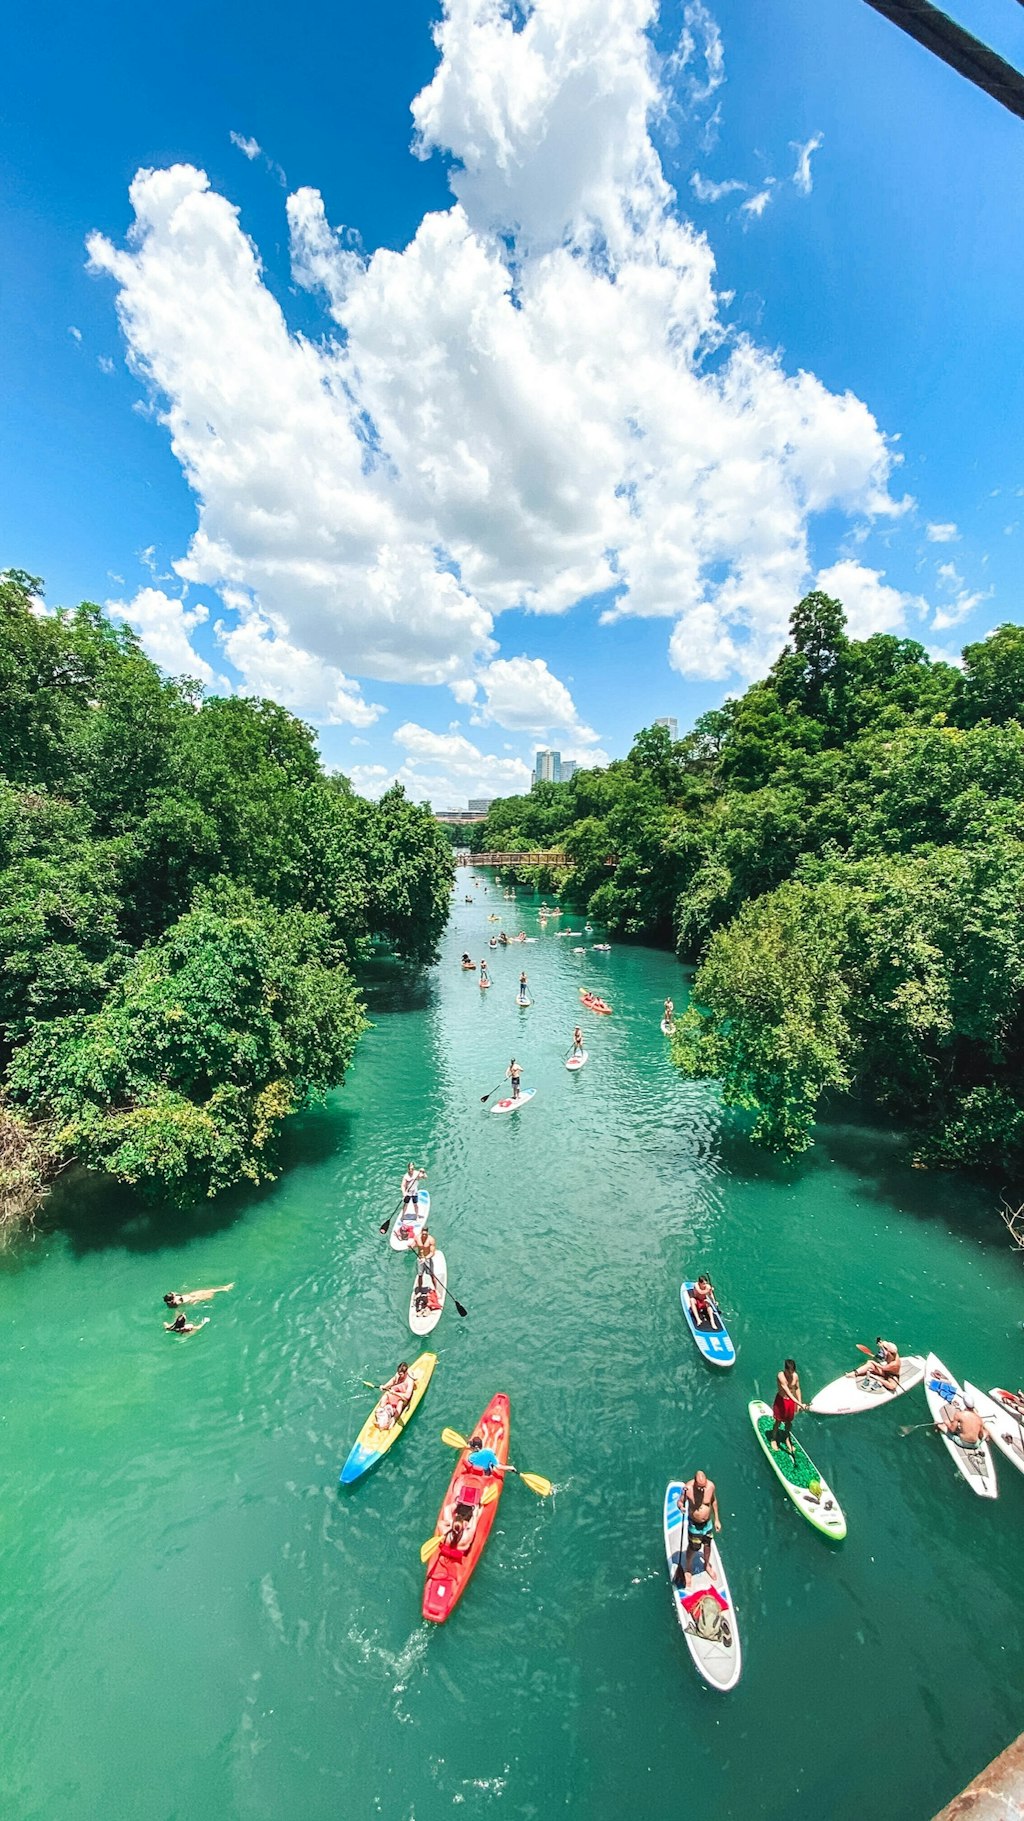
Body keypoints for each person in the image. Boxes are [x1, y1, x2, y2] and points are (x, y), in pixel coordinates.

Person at [679, 1470, 721, 1586]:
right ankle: (688, 1569)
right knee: (693, 1548)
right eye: (699, 1487)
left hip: (707, 1524)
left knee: (708, 1545)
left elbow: (713, 1501)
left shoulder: (711, 1486)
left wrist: (717, 1519)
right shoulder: (687, 1489)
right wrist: (681, 1507)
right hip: (694, 1525)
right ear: (695, 1483)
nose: (702, 1490)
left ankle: (706, 1565)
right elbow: (680, 1502)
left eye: (704, 1487)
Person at [768, 1359, 805, 1452]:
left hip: (791, 1402)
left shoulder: (795, 1376)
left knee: (789, 1422)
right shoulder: (781, 1376)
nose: (791, 1372)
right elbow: (788, 1392)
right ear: (785, 1369)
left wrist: (800, 1403)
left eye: (792, 1370)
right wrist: (800, 1404)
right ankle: (773, 1439)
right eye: (789, 1370)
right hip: (781, 1400)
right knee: (778, 1421)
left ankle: (787, 1438)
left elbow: (797, 1388)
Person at [374, 1362, 416, 1430]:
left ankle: (393, 1419)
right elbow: (392, 1381)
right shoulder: (398, 1375)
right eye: (398, 1373)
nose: (399, 1375)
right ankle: (382, 1413)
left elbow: (407, 1396)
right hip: (394, 1394)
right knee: (385, 1397)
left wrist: (395, 1393)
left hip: (402, 1398)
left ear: (405, 1373)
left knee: (400, 1403)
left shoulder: (409, 1381)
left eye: (401, 1374)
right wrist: (384, 1386)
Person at [412, 1226, 439, 1311]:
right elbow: (415, 1245)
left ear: (427, 1233)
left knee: (431, 1274)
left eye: (425, 1234)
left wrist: (426, 1258)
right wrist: (411, 1245)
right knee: (420, 1275)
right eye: (423, 1234)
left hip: (427, 1259)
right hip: (420, 1258)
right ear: (421, 1232)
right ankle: (419, 1290)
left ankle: (436, 1290)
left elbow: (432, 1253)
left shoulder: (431, 1240)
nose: (424, 1236)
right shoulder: (417, 1238)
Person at [163, 1284, 234, 1308]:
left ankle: (224, 1288)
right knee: (210, 1294)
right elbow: (179, 1309)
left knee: (209, 1290)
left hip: (192, 1295)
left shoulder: (175, 1300)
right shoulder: (177, 1302)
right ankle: (224, 1289)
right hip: (194, 1299)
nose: (174, 1293)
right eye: (173, 1295)